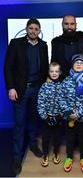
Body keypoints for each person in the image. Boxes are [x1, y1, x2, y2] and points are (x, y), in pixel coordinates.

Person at [4, 18, 49, 175]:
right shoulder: (16, 43)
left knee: (34, 120)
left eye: (36, 29)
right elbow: (8, 67)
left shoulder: (43, 45)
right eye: (31, 28)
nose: (33, 31)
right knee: (19, 124)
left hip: (38, 89)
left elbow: (45, 68)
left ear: (39, 30)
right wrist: (11, 87)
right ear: (26, 29)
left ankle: (33, 145)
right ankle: (16, 158)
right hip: (21, 90)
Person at [51, 14, 83, 157]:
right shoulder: (55, 42)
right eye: (66, 24)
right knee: (68, 117)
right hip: (65, 82)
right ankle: (70, 144)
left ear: (76, 25)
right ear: (62, 25)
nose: (69, 26)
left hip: (81, 81)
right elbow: (54, 61)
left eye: (72, 24)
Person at [60, 54, 83, 173]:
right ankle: (69, 157)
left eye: (81, 62)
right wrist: (69, 112)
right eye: (76, 62)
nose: (79, 64)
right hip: (69, 117)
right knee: (69, 138)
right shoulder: (66, 81)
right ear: (72, 64)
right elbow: (61, 98)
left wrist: (79, 113)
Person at [37, 62, 62, 167]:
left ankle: (56, 153)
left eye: (56, 71)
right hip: (47, 118)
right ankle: (45, 154)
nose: (54, 73)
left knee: (57, 137)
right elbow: (40, 102)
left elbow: (64, 102)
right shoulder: (44, 86)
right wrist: (45, 116)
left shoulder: (62, 86)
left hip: (58, 118)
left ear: (60, 72)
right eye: (52, 71)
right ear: (48, 72)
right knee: (46, 138)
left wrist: (60, 115)